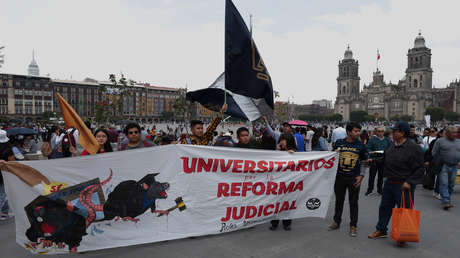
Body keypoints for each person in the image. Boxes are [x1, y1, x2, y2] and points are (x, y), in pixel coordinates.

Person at [368, 121, 424, 247]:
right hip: (389, 182)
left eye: (395, 131)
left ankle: (403, 235)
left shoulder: (413, 147)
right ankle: (381, 230)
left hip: (403, 185)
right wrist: (372, 161)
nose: (392, 133)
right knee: (384, 208)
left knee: (404, 210)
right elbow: (385, 159)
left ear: (402, 133)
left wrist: (409, 182)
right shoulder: (392, 145)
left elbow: (420, 168)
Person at [329, 122, 368, 237]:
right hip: (339, 177)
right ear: (348, 132)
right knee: (339, 201)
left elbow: (364, 162)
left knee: (353, 202)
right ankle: (336, 221)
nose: (358, 133)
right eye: (355, 131)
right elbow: (331, 157)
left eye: (358, 131)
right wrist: (334, 153)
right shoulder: (339, 143)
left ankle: (353, 225)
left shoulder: (361, 145)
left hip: (354, 178)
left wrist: (361, 176)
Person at [270, 133, 296, 231]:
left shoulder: (294, 152)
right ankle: (274, 223)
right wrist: (276, 151)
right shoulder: (278, 151)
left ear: (288, 141)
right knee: (276, 204)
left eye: (283, 140)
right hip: (278, 182)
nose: (282, 142)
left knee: (287, 203)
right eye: (281, 139)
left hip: (290, 182)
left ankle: (287, 223)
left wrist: (292, 154)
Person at [431, 127, 460, 210]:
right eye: (453, 132)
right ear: (447, 133)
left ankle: (447, 199)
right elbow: (434, 153)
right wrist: (439, 161)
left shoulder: (459, 142)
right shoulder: (440, 141)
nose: (455, 134)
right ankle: (446, 201)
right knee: (444, 183)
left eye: (456, 132)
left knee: (451, 184)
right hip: (443, 166)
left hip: (454, 166)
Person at [365, 127, 391, 196]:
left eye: (382, 131)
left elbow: (391, 148)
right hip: (374, 160)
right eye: (379, 131)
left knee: (381, 176)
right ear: (376, 132)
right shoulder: (372, 140)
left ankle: (380, 190)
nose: (380, 133)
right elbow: (368, 148)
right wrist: (370, 152)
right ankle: (370, 190)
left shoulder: (387, 140)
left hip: (383, 160)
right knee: (372, 176)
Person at [0, 130, 14, 220]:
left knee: (3, 193)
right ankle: (4, 212)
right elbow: (12, 160)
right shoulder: (8, 147)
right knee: (3, 193)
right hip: (4, 172)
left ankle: (4, 212)